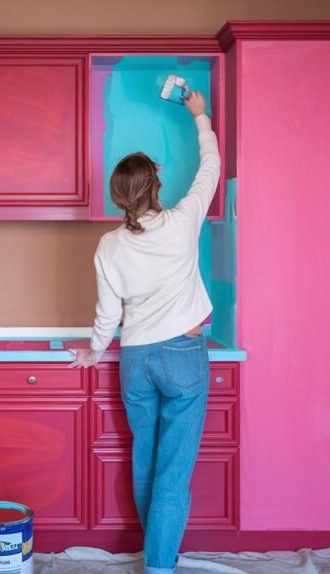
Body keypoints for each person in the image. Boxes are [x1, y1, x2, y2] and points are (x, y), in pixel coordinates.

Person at [69, 90, 220, 574]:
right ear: (156, 186)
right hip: (182, 356)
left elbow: (106, 313)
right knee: (173, 472)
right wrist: (200, 117)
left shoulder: (109, 246)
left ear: (119, 197)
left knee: (146, 459)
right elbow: (210, 169)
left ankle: (160, 551)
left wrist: (95, 351)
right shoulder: (181, 223)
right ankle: (159, 565)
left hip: (135, 361)